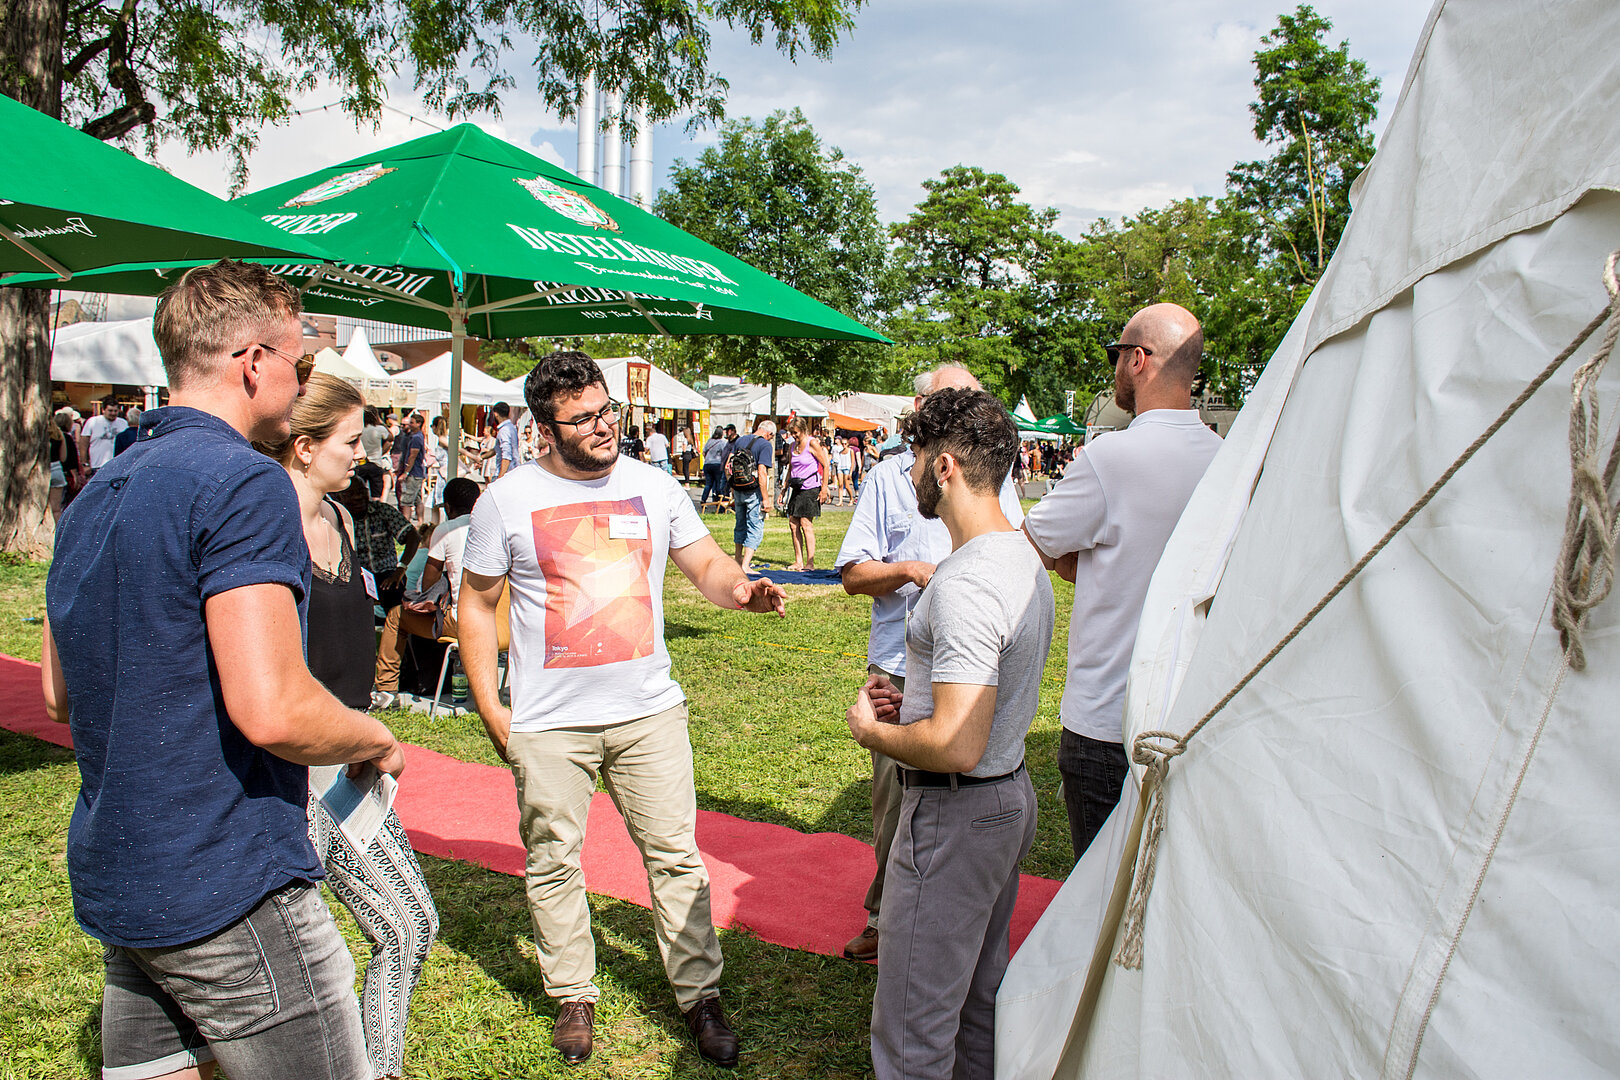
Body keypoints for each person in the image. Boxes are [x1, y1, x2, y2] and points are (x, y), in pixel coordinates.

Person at [40, 259, 403, 1080]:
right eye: (297, 363)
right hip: (226, 874)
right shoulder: (244, 482)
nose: (300, 382)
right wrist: (373, 737)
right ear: (253, 363)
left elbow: (59, 695)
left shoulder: (95, 493)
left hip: (121, 875)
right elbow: (272, 707)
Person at [457, 351, 787, 1068]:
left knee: (676, 857)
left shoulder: (654, 486)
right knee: (553, 860)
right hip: (550, 721)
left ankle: (701, 997)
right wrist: (490, 706)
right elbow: (476, 607)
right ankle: (573, 993)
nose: (604, 426)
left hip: (648, 713)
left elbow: (707, 564)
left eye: (607, 410)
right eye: (583, 419)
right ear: (545, 429)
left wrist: (741, 589)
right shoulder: (506, 501)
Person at [844, 387, 1054, 1080]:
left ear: (945, 467)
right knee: (976, 1001)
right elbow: (987, 694)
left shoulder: (966, 582)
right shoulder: (1019, 557)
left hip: (956, 813)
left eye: (914, 458)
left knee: (914, 1028)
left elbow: (957, 744)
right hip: (1003, 796)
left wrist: (872, 732)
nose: (908, 474)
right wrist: (913, 701)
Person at [255, 372, 440, 1080]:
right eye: (351, 441)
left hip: (351, 753)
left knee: (411, 925)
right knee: (301, 961)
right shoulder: (261, 524)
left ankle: (378, 1068)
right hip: (290, 769)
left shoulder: (338, 516)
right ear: (304, 447)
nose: (364, 456)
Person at [834, 363, 1025, 963]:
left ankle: (918, 925)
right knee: (900, 807)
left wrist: (868, 729)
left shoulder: (975, 560)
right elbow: (852, 573)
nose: (967, 415)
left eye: (972, 401)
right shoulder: (889, 477)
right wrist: (911, 571)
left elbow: (956, 748)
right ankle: (890, 915)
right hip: (901, 663)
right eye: (951, 404)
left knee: (943, 811)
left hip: (974, 665)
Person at [1023, 303, 1223, 858]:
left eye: (1116, 354)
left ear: (1138, 360)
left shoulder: (1110, 457)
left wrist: (1087, 562)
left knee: (1098, 893)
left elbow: (1031, 544)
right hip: (1188, 716)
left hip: (1106, 721)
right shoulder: (1227, 461)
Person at [373, 477, 482, 705]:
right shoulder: (496, 527)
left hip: (462, 621)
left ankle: (386, 689)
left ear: (448, 507)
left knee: (395, 617)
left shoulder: (447, 529)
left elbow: (428, 585)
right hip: (501, 623)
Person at [334, 478, 421, 612]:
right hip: (355, 575)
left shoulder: (382, 510)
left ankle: (395, 623)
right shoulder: (337, 518)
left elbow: (413, 537)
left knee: (394, 592)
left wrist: (400, 569)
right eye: (351, 494)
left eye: (361, 492)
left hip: (385, 573)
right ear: (340, 497)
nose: (358, 497)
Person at [728, 419, 776, 573]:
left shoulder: (740, 440)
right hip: (753, 491)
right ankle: (745, 565)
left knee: (740, 524)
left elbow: (729, 465)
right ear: (769, 433)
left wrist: (733, 487)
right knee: (755, 526)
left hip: (738, 489)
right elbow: (762, 472)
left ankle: (738, 559)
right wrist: (766, 498)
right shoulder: (765, 445)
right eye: (772, 436)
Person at [783, 417, 829, 571]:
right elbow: (790, 468)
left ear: (803, 430)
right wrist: (784, 488)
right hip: (796, 487)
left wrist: (824, 488)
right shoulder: (792, 446)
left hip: (811, 487)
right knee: (793, 523)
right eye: (792, 433)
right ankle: (798, 561)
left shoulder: (812, 443)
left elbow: (826, 464)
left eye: (795, 433)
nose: (794, 436)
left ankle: (810, 563)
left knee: (805, 523)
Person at [394, 412, 427, 525]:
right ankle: (420, 522)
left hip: (413, 473)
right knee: (417, 499)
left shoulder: (416, 438)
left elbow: (412, 456)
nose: (409, 425)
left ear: (419, 423)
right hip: (418, 472)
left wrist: (406, 472)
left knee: (406, 500)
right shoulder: (417, 436)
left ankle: (406, 523)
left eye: (412, 423)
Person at [79, 395, 122, 476]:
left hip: (118, 466)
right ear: (103, 410)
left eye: (115, 411)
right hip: (97, 466)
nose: (113, 413)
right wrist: (85, 464)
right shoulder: (92, 422)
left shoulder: (123, 423)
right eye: (110, 410)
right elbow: (83, 444)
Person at [357, 408, 390, 498]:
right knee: (376, 493)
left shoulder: (360, 429)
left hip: (361, 462)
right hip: (376, 462)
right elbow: (390, 438)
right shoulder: (379, 429)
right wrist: (381, 422)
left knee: (360, 490)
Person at [486, 402, 521, 478]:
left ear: (495, 414)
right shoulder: (512, 428)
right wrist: (481, 457)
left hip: (507, 473)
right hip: (513, 471)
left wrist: (500, 478)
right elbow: (497, 449)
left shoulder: (504, 430)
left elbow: (506, 456)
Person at [699, 426, 729, 512]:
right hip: (717, 465)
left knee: (708, 484)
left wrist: (708, 459)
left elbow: (703, 452)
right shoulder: (722, 442)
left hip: (707, 464)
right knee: (719, 484)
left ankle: (703, 499)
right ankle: (718, 502)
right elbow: (725, 453)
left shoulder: (709, 441)